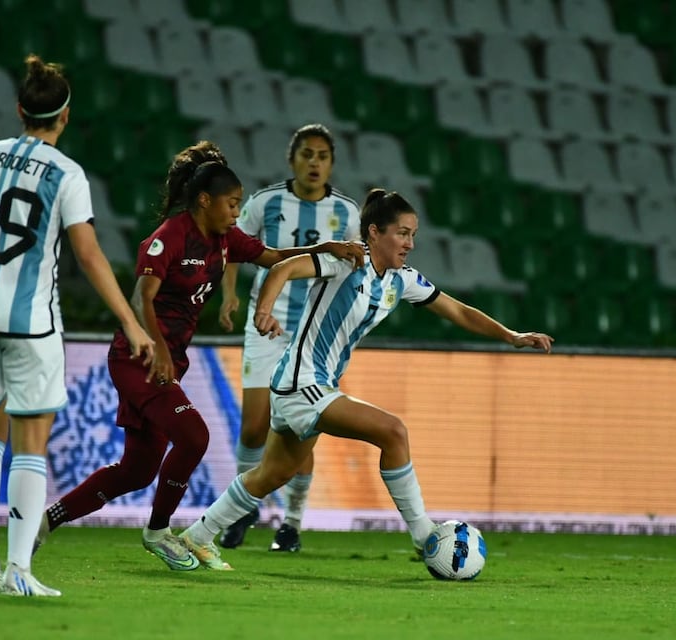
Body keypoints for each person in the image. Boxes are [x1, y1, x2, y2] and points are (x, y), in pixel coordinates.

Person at [177, 189, 554, 570]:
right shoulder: (347, 259)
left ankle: (196, 536)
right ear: (374, 232)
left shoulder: (401, 280)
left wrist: (511, 336)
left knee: (271, 475)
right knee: (393, 432)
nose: (410, 244)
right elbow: (283, 269)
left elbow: (457, 310)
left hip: (311, 385)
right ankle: (424, 536)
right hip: (301, 382)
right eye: (402, 233)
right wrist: (264, 310)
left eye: (413, 235)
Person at [32, 142, 365, 572]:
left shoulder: (226, 239)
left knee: (137, 471)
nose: (236, 212)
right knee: (194, 436)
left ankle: (46, 520)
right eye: (232, 203)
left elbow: (273, 257)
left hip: (165, 361)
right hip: (138, 359)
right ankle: (159, 533)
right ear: (205, 200)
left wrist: (328, 247)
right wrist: (158, 350)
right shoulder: (169, 237)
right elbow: (140, 299)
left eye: (239, 204)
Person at [0, 54, 155, 597]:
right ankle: (18, 568)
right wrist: (131, 322)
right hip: (29, 324)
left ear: (20, 111)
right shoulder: (66, 173)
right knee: (31, 443)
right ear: (65, 116)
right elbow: (88, 254)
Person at [217, 124, 361, 552]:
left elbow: (356, 270)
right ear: (292, 159)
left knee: (301, 428)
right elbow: (232, 246)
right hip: (267, 324)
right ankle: (243, 510)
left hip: (314, 337)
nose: (314, 163)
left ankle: (292, 524)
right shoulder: (265, 202)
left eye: (322, 156)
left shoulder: (347, 212)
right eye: (307, 154)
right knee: (254, 427)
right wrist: (229, 294)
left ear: (331, 164)